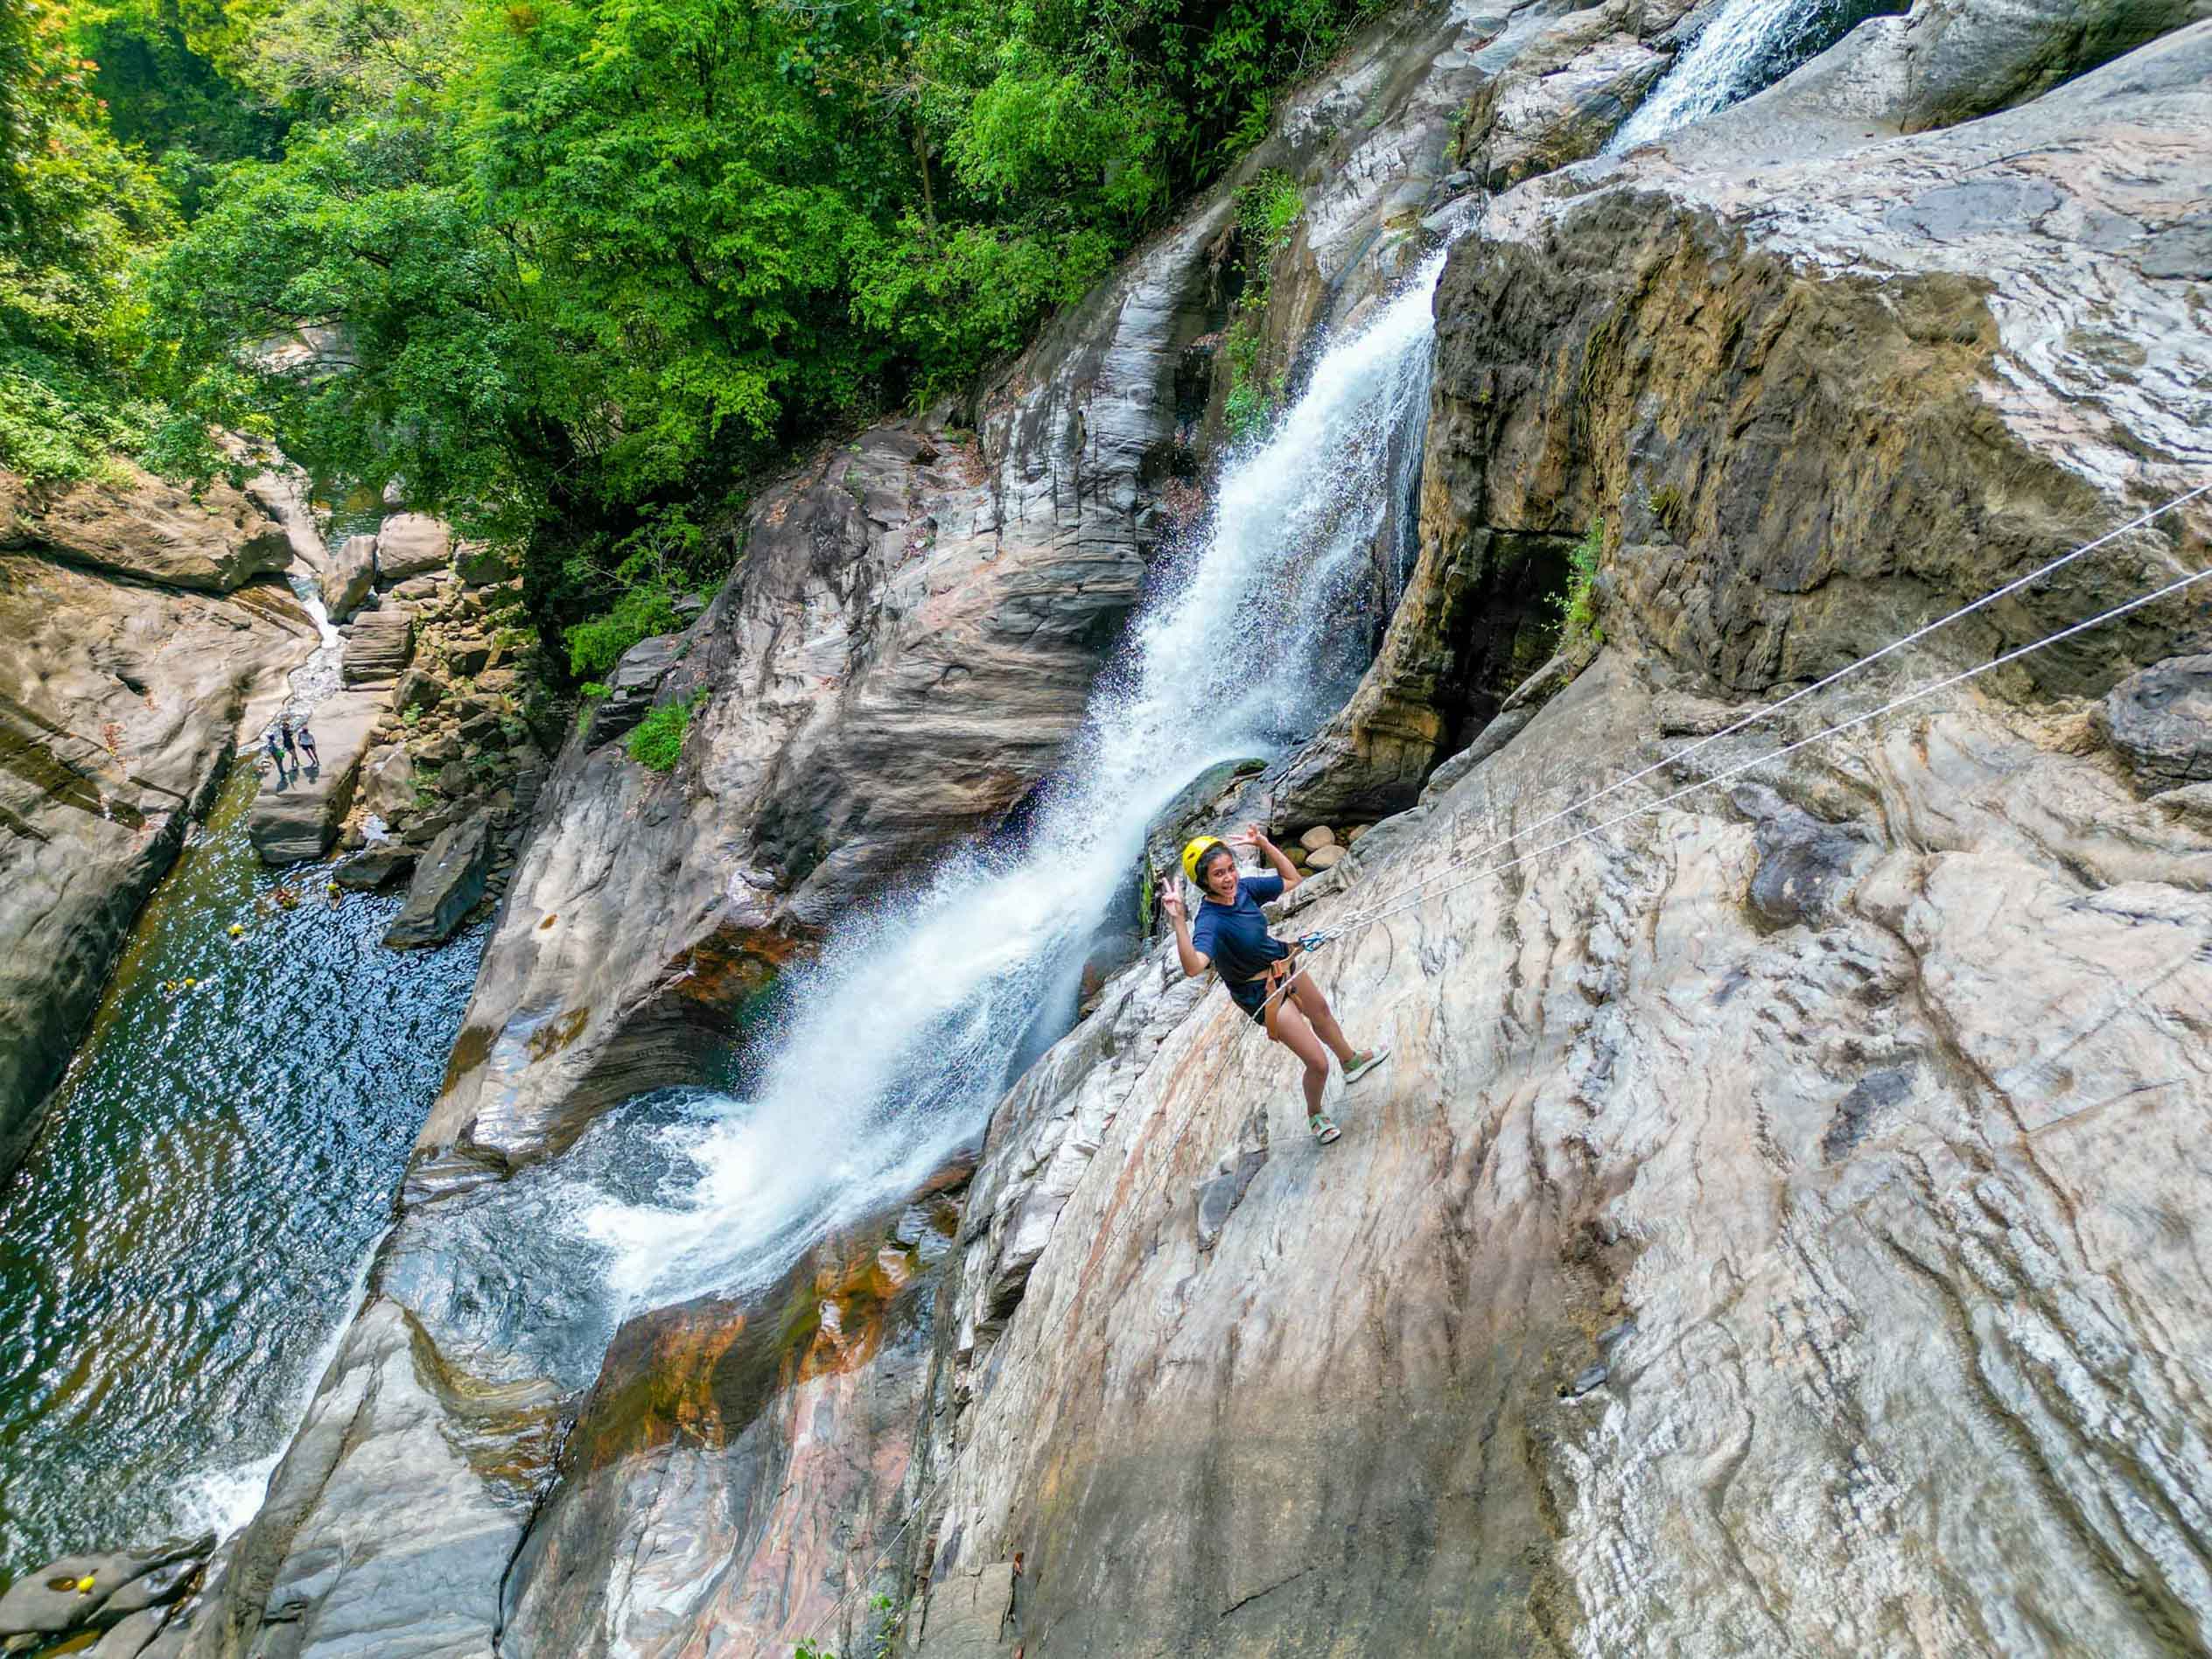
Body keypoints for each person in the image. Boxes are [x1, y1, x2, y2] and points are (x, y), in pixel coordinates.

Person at [1160, 824, 1390, 1144]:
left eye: (1230, 869)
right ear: (1204, 881)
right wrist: (1178, 921)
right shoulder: (1209, 920)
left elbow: (1293, 880)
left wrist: (1265, 844)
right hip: (1261, 994)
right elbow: (1194, 967)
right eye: (1218, 875)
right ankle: (1315, 1115)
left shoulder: (1244, 890)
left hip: (1283, 963)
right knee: (1317, 1063)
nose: (1228, 879)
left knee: (1321, 1012)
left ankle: (1351, 1061)